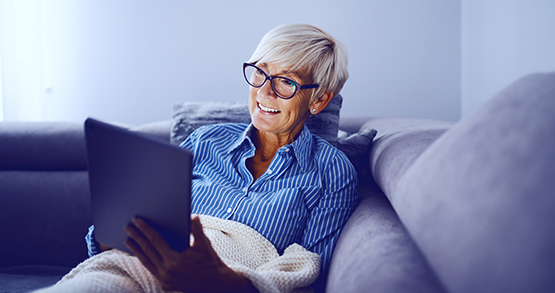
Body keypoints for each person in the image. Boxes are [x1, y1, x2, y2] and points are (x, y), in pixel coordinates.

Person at [85, 23, 359, 293]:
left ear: (319, 101)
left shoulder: (331, 172)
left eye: (286, 82)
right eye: (260, 73)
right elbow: (130, 229)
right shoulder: (205, 140)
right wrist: (117, 232)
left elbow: (309, 278)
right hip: (134, 270)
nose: (264, 92)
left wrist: (221, 282)